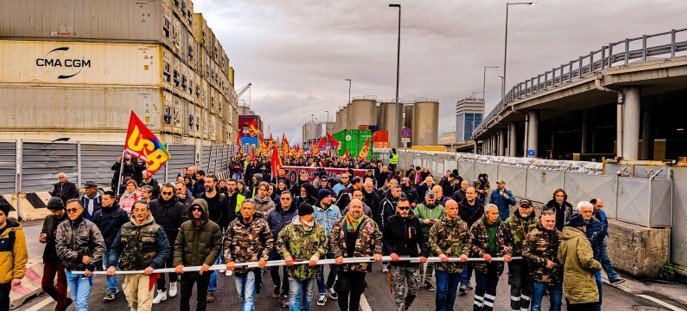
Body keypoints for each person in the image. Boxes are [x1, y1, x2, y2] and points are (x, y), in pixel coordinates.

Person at [106, 200, 171, 311]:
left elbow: (165, 250)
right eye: (136, 210)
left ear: (148, 211)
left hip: (147, 272)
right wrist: (112, 264)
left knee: (144, 305)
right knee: (133, 304)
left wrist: (154, 265)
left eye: (142, 210)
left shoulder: (156, 229)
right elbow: (115, 249)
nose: (139, 213)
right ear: (132, 212)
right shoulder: (125, 228)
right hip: (129, 271)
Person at [329, 199, 383, 311]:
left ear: (362, 209)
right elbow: (332, 240)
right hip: (343, 264)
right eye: (354, 207)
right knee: (343, 289)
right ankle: (343, 309)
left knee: (357, 290)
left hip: (360, 265)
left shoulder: (370, 223)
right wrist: (337, 254)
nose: (356, 209)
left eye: (359, 207)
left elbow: (378, 238)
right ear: (349, 208)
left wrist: (377, 252)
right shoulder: (339, 222)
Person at [55, 199, 106, 311]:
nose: (71, 213)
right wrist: (80, 257)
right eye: (68, 210)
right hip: (69, 271)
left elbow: (101, 246)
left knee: (81, 303)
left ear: (82, 210)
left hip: (85, 272)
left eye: (74, 209)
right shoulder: (62, 227)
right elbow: (60, 249)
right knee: (77, 301)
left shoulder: (91, 226)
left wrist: (91, 265)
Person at [224, 199, 274, 311]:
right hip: (237, 266)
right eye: (244, 208)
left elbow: (269, 241)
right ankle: (250, 308)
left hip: (253, 266)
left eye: (249, 209)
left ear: (253, 210)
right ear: (241, 210)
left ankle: (248, 307)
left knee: (248, 296)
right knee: (241, 294)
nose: (246, 211)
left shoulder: (261, 223)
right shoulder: (233, 225)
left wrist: (263, 258)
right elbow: (226, 243)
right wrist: (228, 260)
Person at [174, 199, 223, 311]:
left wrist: (207, 263)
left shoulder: (214, 227)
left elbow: (217, 247)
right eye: (194, 209)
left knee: (201, 298)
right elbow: (178, 245)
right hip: (186, 269)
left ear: (204, 211)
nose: (196, 211)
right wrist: (178, 263)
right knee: (184, 297)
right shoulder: (185, 226)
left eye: (199, 209)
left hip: (203, 269)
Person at [277, 202, 328, 311]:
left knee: (308, 295)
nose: (312, 216)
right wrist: (286, 255)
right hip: (294, 270)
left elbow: (325, 244)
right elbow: (279, 241)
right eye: (309, 214)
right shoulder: (289, 229)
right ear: (301, 216)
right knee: (294, 295)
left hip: (311, 270)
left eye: (312, 214)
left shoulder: (318, 228)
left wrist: (317, 255)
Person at [383, 197, 428, 311]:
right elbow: (385, 239)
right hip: (397, 263)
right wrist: (391, 252)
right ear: (397, 208)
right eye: (402, 208)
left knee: (414, 290)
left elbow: (421, 239)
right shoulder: (391, 220)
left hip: (413, 262)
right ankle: (401, 309)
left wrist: (423, 253)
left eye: (407, 208)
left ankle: (405, 306)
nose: (404, 210)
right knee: (399, 293)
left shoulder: (415, 220)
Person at [149, 183, 188, 303]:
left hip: (173, 240)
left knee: (172, 264)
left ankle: (173, 283)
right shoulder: (153, 204)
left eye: (169, 193)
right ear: (161, 192)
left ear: (173, 193)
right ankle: (161, 291)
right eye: (164, 193)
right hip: (156, 241)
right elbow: (148, 219)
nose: (166, 195)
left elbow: (184, 221)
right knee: (158, 266)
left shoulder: (180, 206)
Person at [428, 199, 470, 311]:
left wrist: (464, 253)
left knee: (452, 291)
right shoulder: (438, 225)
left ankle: (449, 309)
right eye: (452, 208)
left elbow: (468, 241)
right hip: (442, 265)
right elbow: (432, 241)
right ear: (445, 210)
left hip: (457, 265)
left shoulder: (463, 225)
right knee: (442, 290)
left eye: (456, 208)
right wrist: (440, 254)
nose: (455, 211)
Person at [470, 204, 513, 311]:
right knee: (481, 286)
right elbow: (470, 243)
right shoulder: (477, 225)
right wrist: (482, 254)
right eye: (493, 213)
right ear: (486, 214)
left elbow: (509, 241)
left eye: (497, 213)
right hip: (481, 263)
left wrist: (508, 253)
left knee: (492, 287)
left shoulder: (502, 225)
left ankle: (488, 308)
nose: (496, 216)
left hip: (497, 263)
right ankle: (477, 307)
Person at [558, 213, 602, 311]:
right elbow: (587, 261)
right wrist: (598, 265)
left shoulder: (564, 239)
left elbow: (560, 259)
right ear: (582, 227)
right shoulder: (581, 239)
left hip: (570, 284)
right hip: (583, 287)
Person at [522, 209, 563, 311]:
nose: (550, 223)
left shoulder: (559, 235)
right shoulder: (533, 235)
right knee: (536, 306)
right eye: (547, 221)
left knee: (557, 305)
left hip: (556, 277)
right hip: (539, 277)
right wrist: (544, 262)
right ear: (541, 220)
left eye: (552, 221)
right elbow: (525, 254)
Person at [93, 191, 129, 302]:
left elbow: (127, 227)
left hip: (118, 245)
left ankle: (116, 288)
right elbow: (95, 230)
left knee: (117, 266)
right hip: (105, 246)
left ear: (113, 199)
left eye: (106, 199)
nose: (103, 201)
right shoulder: (98, 214)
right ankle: (112, 288)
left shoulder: (121, 213)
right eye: (102, 199)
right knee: (108, 267)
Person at [200, 174, 231, 303]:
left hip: (216, 235)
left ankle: (210, 290)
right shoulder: (200, 198)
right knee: (202, 262)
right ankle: (203, 287)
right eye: (205, 182)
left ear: (215, 183)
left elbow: (226, 218)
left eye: (209, 182)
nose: (206, 184)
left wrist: (225, 235)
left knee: (213, 263)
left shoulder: (221, 199)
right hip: (201, 235)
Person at [504, 199, 538, 310]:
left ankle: (524, 308)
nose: (524, 209)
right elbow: (504, 240)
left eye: (527, 207)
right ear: (519, 207)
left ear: (532, 208)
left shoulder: (537, 222)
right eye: (522, 206)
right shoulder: (509, 221)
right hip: (516, 259)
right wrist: (508, 251)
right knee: (516, 284)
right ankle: (515, 309)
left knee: (528, 286)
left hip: (531, 259)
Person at [266, 191, 298, 308]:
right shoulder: (272, 213)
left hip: (289, 249)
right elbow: (266, 227)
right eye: (283, 198)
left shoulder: (296, 214)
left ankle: (284, 295)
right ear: (280, 200)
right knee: (273, 269)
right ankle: (276, 285)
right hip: (274, 247)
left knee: (287, 272)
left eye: (287, 199)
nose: (285, 200)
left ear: (291, 200)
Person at [39, 198, 72, 310]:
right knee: (45, 285)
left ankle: (60, 308)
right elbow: (44, 230)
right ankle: (64, 301)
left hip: (63, 256)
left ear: (61, 208)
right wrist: (43, 236)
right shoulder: (49, 218)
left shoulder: (69, 219)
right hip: (50, 254)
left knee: (61, 285)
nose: (53, 213)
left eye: (54, 211)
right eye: (51, 211)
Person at [312, 189, 341, 306]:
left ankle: (329, 286)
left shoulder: (335, 209)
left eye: (330, 196)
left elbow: (340, 224)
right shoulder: (313, 210)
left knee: (335, 268)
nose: (330, 198)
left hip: (333, 244)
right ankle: (322, 293)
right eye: (327, 196)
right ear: (321, 198)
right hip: (318, 245)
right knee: (319, 272)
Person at [413, 190, 444, 292]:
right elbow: (413, 218)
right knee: (421, 258)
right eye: (429, 200)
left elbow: (445, 219)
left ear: (436, 198)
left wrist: (439, 222)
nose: (431, 202)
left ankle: (428, 280)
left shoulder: (440, 208)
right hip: (422, 236)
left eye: (432, 200)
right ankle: (418, 279)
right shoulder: (419, 207)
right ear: (425, 198)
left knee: (432, 259)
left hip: (435, 237)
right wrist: (422, 221)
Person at [589, 198, 625, 284]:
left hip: (602, 238)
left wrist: (604, 233)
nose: (600, 208)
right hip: (594, 238)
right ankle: (595, 277)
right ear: (592, 204)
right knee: (594, 258)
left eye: (601, 206)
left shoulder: (602, 213)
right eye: (598, 206)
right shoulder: (589, 213)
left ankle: (613, 276)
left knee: (605, 257)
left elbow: (605, 224)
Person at [0, 203, 28, 311]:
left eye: (0, 214)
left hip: (4, 278)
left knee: (2, 305)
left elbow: (21, 255)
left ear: (5, 215)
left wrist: (18, 275)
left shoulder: (14, 232)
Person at [578, 201, 605, 310]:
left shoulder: (597, 223)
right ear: (579, 212)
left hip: (594, 260)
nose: (588, 214)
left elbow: (599, 241)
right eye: (585, 212)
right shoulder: (573, 224)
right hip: (579, 263)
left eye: (590, 212)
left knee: (598, 283)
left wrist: (596, 259)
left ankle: (597, 307)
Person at [457, 187, 484, 293]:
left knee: (472, 261)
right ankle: (463, 282)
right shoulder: (460, 206)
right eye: (467, 193)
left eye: (471, 193)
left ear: (476, 194)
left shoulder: (481, 207)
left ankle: (467, 279)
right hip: (463, 237)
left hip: (477, 238)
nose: (469, 195)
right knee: (464, 259)